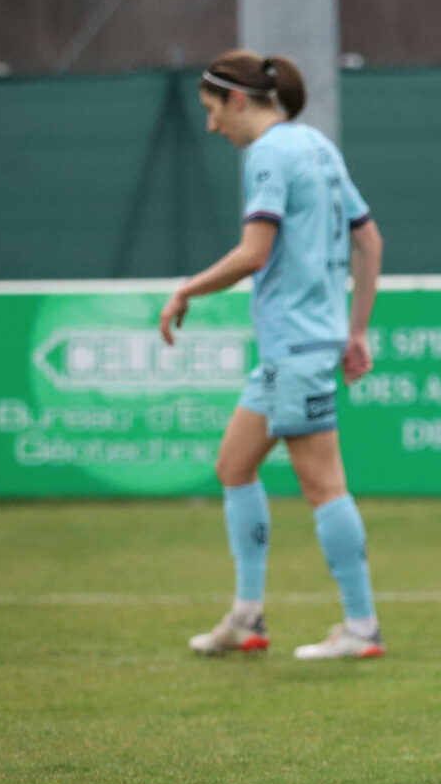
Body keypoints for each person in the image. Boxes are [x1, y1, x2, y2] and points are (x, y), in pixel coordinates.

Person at [161, 49, 387, 661]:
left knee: (323, 486)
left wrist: (186, 287)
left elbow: (253, 252)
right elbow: (370, 240)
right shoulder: (317, 145)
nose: (211, 126)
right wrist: (355, 330)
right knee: (233, 466)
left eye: (212, 111)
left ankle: (362, 627)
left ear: (237, 100)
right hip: (300, 347)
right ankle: (247, 615)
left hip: (295, 348)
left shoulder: (267, 153)